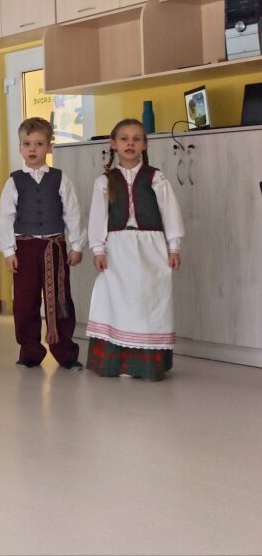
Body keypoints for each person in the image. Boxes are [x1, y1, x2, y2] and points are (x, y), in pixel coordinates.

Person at [86, 118, 184, 381]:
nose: (130, 143)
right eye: (124, 139)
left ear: (145, 144)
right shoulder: (104, 181)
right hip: (117, 249)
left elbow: (170, 212)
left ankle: (145, 364)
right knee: (117, 302)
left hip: (151, 249)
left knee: (148, 302)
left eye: (136, 139)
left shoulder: (156, 178)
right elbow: (98, 217)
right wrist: (98, 249)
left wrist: (174, 247)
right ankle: (119, 362)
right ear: (113, 143)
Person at [0, 117, 85, 371]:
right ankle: (29, 350)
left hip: (54, 247)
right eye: (27, 144)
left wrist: (77, 245)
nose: (32, 149)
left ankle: (65, 351)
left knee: (60, 299)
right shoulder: (14, 181)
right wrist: (8, 251)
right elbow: (5, 218)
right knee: (25, 301)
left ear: (49, 147)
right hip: (24, 249)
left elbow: (72, 213)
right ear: (20, 148)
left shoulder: (60, 179)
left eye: (38, 143)